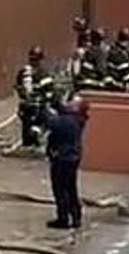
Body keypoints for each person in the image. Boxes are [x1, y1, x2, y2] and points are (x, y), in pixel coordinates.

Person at [46, 96, 89, 230]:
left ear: (77, 108)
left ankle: (63, 219)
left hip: (63, 158)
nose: (69, 103)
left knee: (61, 189)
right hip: (72, 157)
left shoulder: (69, 121)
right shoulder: (77, 119)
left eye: (72, 102)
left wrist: (45, 110)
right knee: (71, 188)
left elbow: (53, 123)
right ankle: (76, 217)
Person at [15, 46, 56, 146]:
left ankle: (28, 141)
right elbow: (49, 91)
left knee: (26, 128)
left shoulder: (23, 71)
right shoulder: (43, 73)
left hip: (25, 106)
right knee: (48, 120)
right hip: (39, 106)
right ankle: (36, 134)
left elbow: (18, 87)